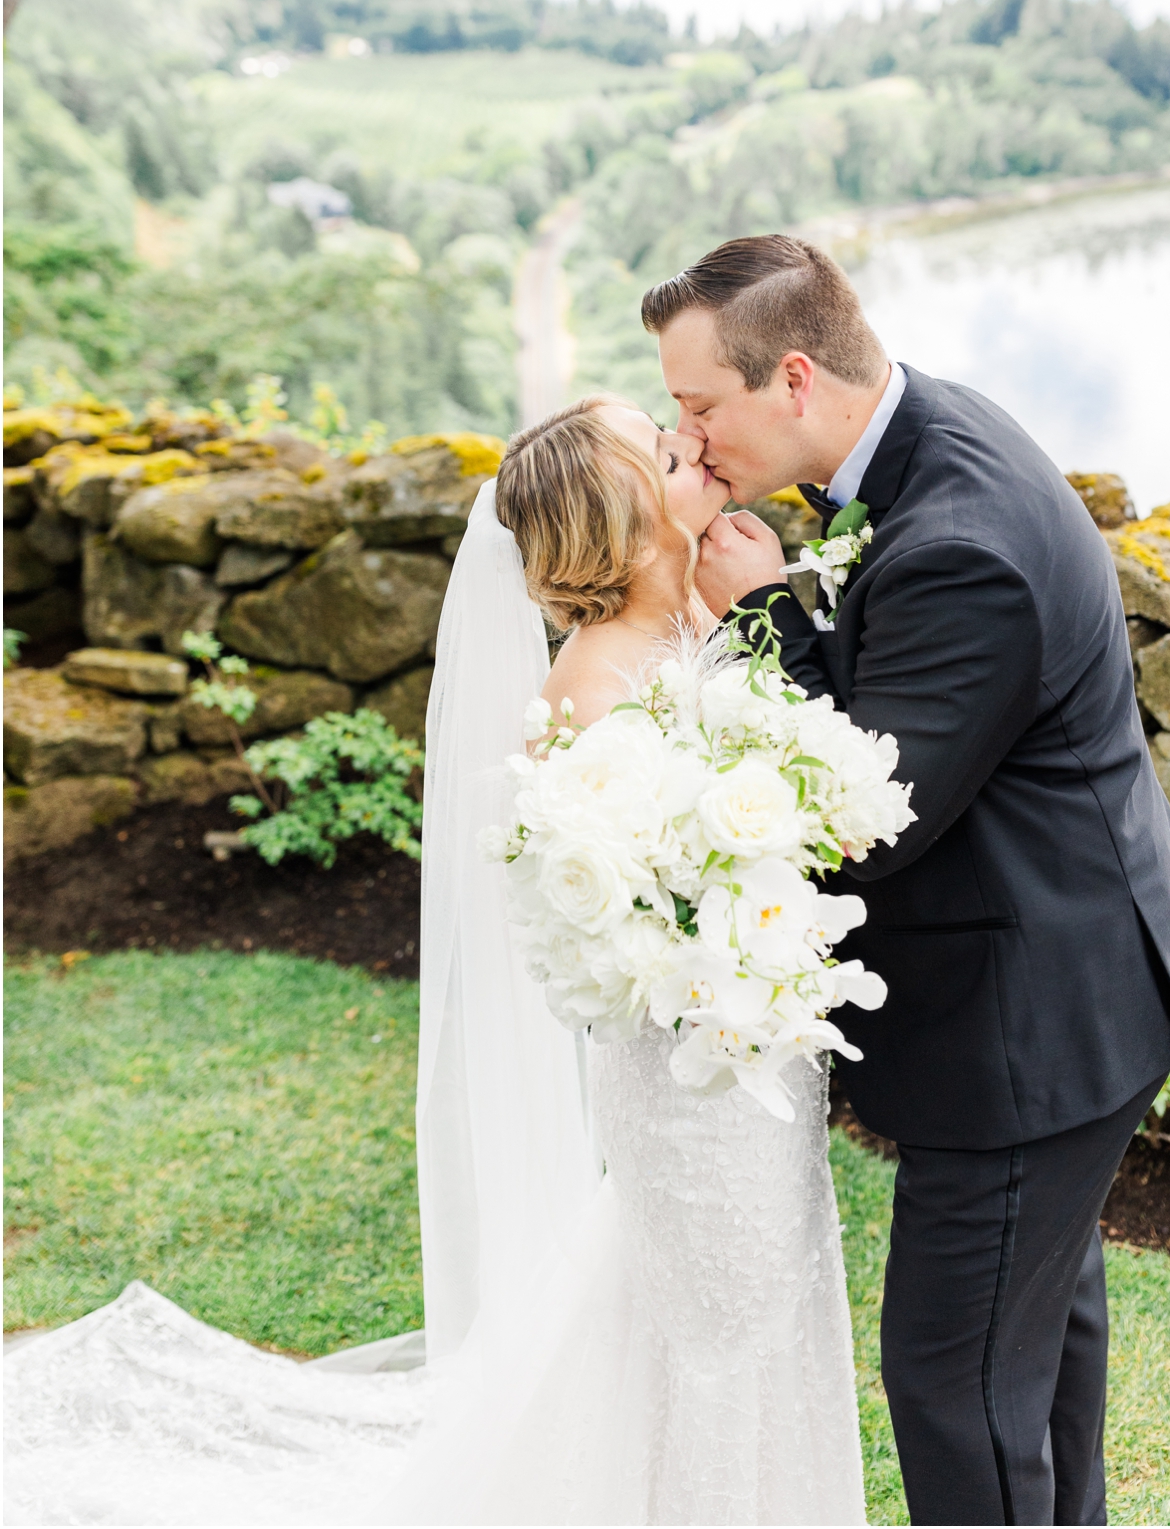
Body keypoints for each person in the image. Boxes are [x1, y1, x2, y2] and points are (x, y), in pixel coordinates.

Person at [5, 394, 867, 1529]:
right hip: (683, 1069)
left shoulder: (704, 621)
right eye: (667, 449)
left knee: (761, 1301)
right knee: (714, 1318)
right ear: (626, 517)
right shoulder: (588, 689)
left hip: (758, 1055)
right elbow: (616, 911)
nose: (693, 444)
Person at [640, 233, 1170, 1529]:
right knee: (1038, 1343)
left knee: (954, 1383)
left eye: (698, 408)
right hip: (1071, 964)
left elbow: (870, 813)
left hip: (1030, 1020)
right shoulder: (921, 428)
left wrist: (766, 616)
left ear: (792, 378)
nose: (691, 437)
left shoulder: (962, 539)